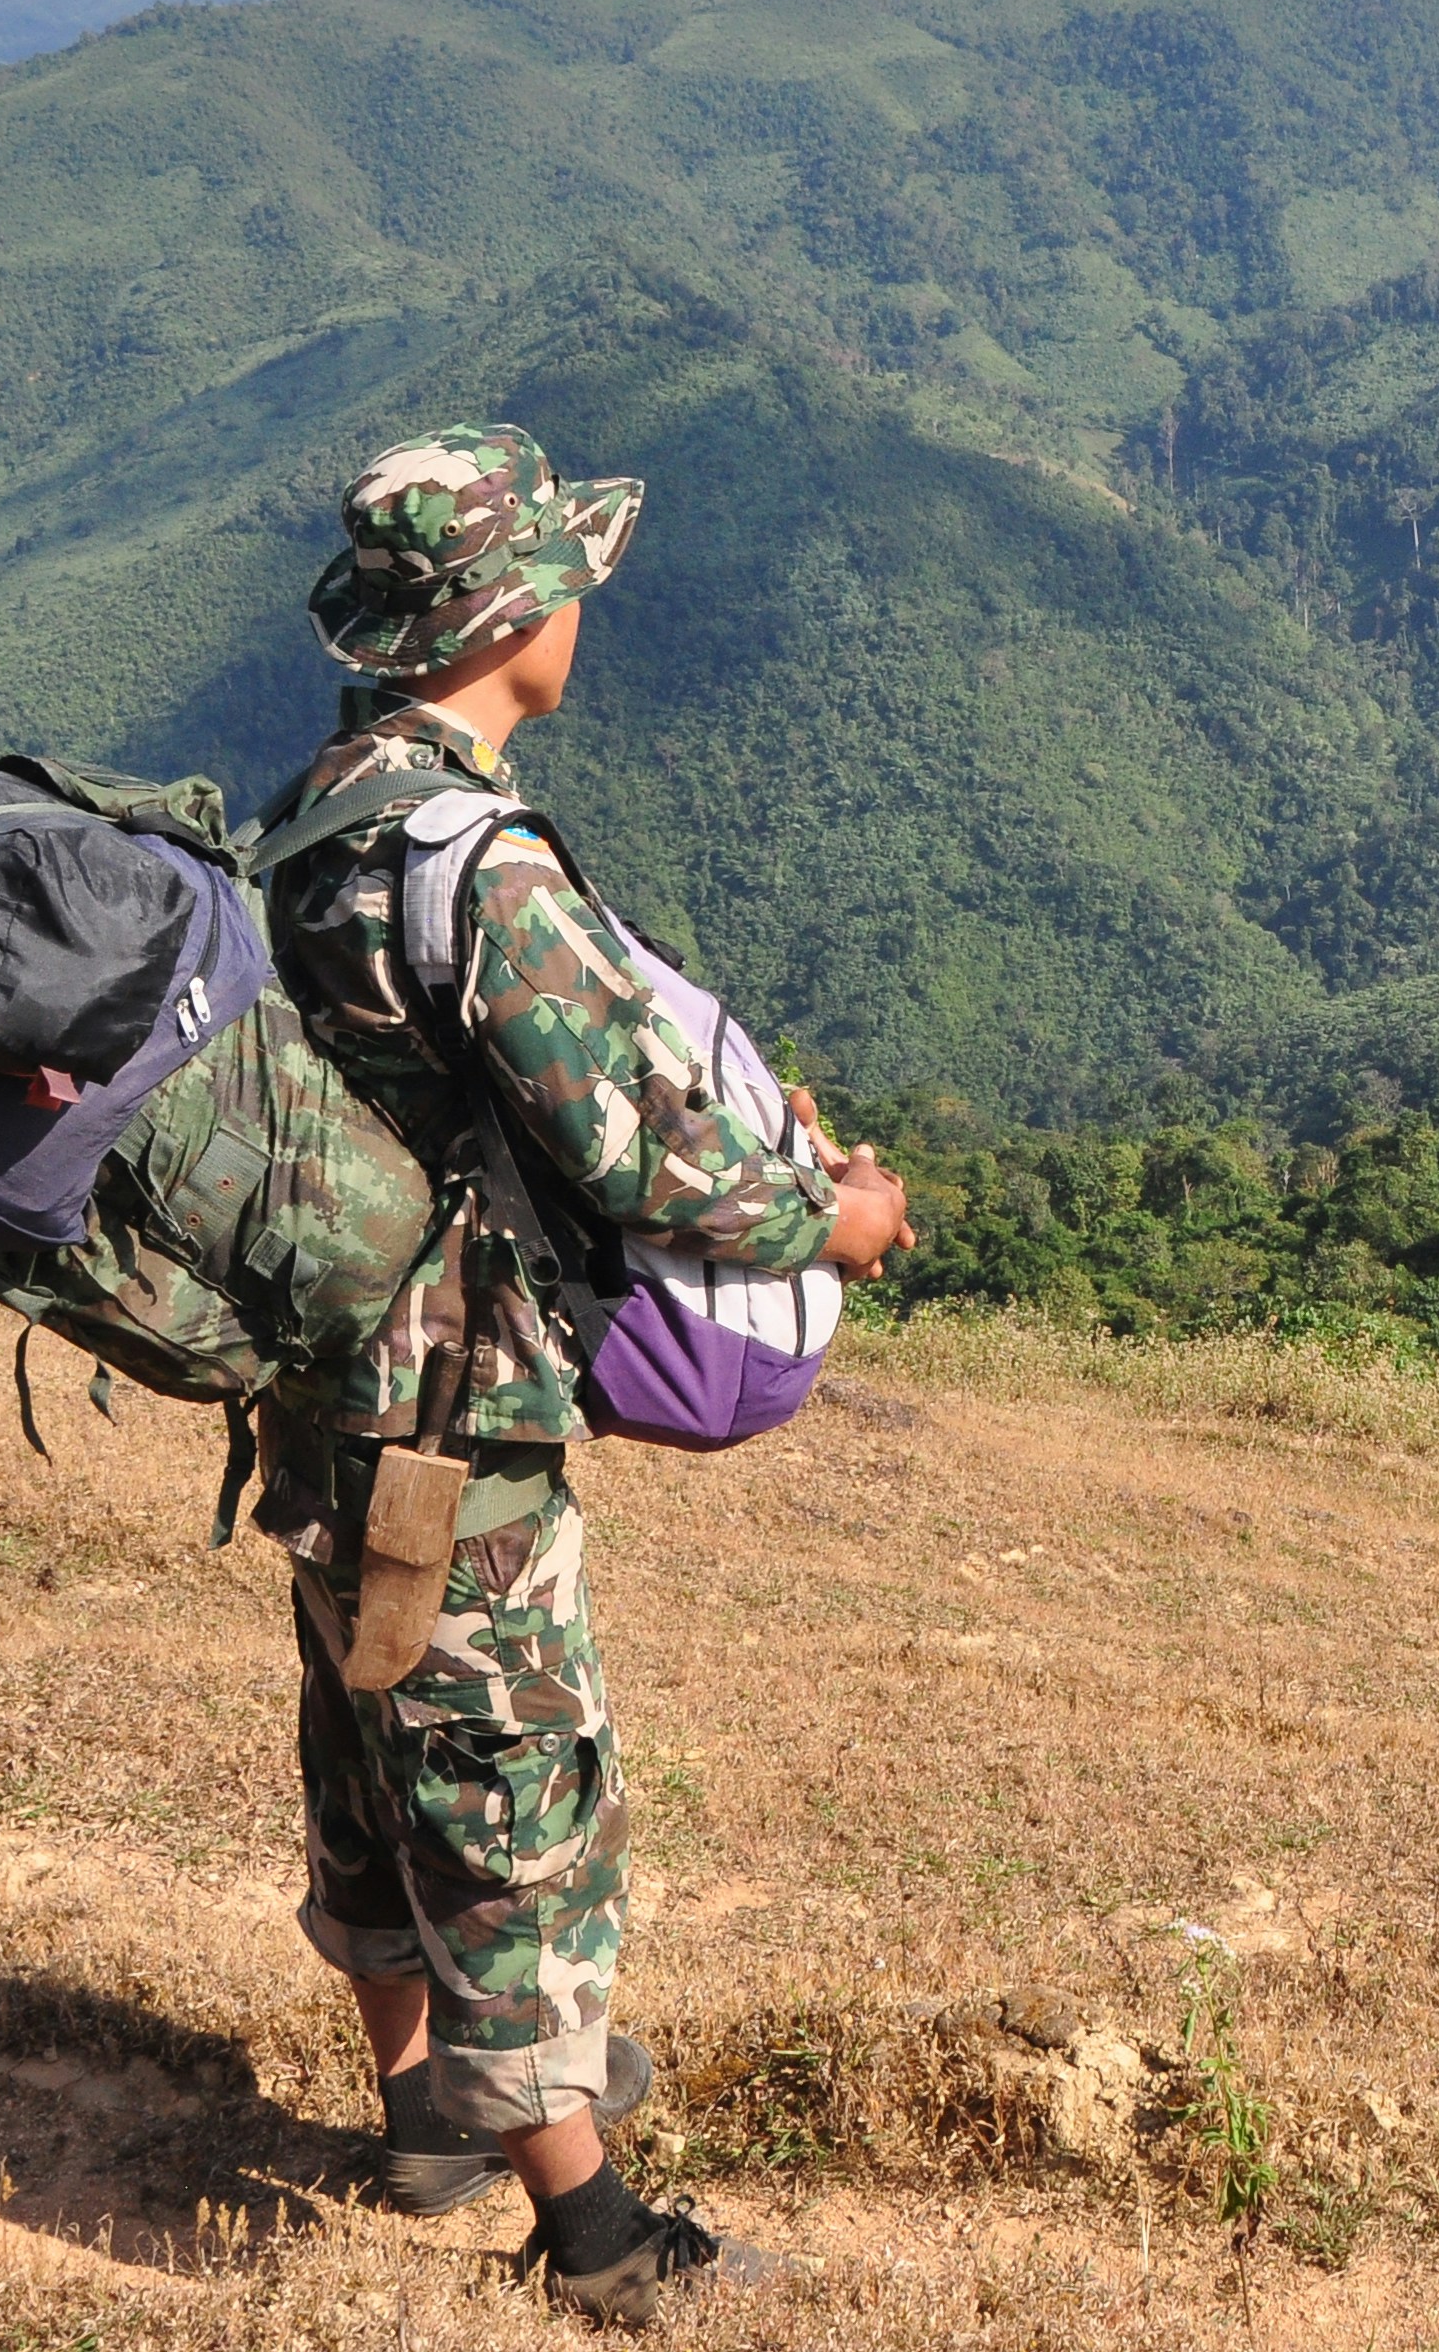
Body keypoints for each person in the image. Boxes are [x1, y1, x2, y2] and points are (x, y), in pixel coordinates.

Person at [253, 422, 910, 2323]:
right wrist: (836, 1218)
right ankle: (595, 2232)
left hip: (320, 1372)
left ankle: (419, 2121)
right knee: (509, 1785)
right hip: (454, 1401)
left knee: (375, 1737)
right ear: (515, 614)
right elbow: (642, 1145)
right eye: (568, 587)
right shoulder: (478, 857)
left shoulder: (320, 815)